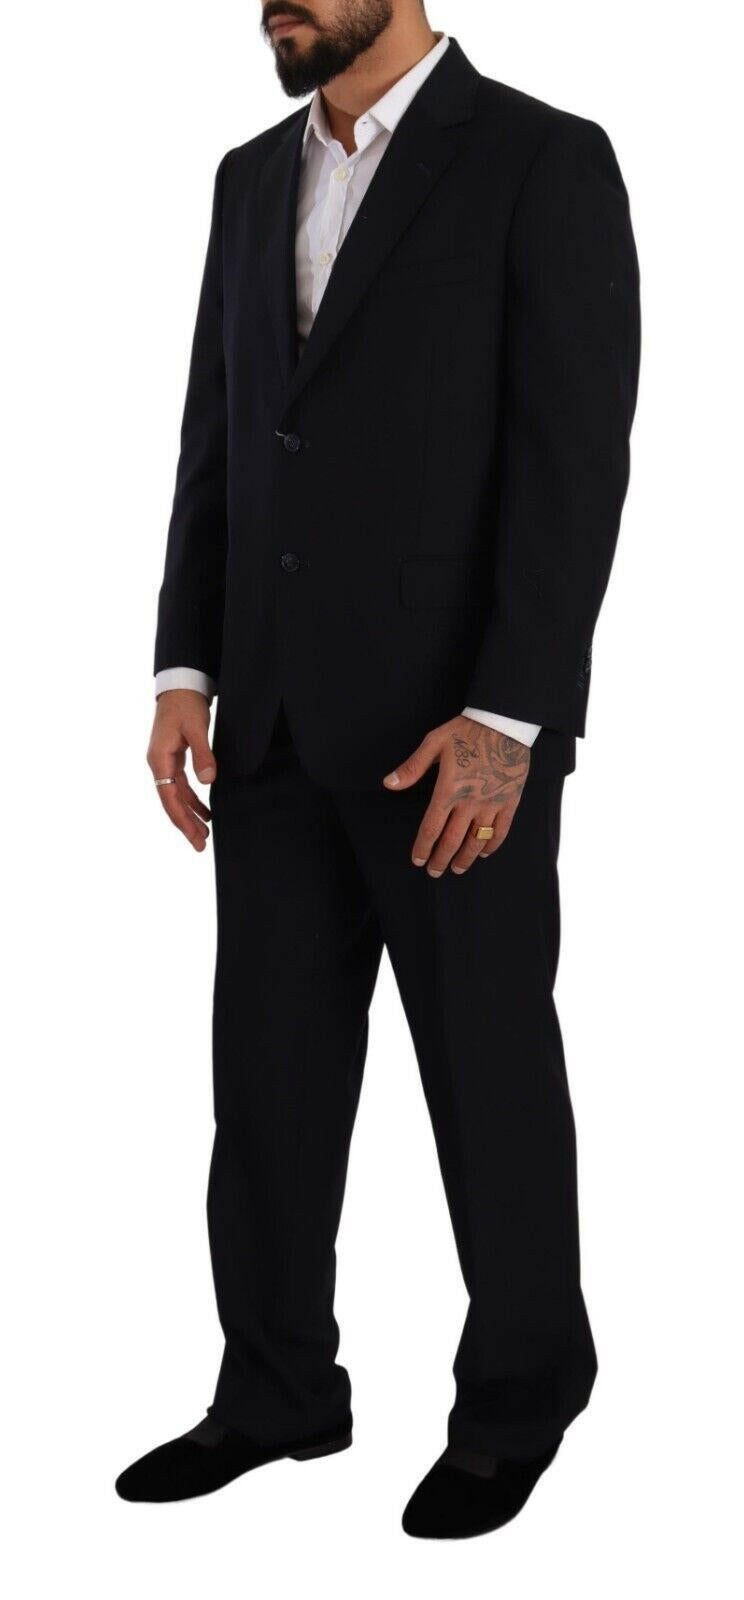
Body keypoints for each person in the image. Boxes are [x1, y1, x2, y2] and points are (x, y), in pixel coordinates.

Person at [116, 0, 640, 1540]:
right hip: (272, 723)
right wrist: (184, 667)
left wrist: (511, 718)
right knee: (267, 1089)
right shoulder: (245, 177)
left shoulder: (542, 161)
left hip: (450, 741)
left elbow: (573, 458)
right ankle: (278, 1389)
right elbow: (221, 437)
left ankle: (524, 1395)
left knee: (487, 1076)